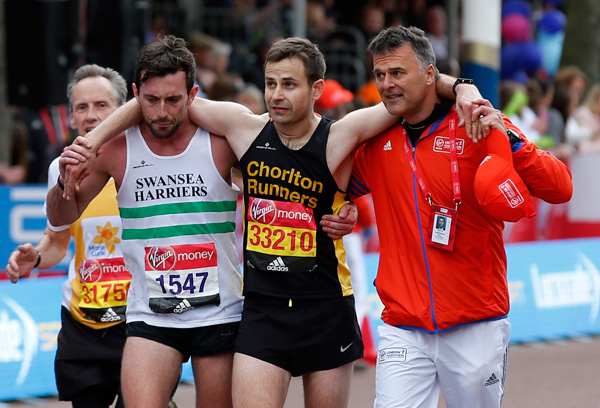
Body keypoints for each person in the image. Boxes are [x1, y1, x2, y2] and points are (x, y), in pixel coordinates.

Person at [57, 36, 485, 408]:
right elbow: (156, 101)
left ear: (317, 88)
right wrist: (91, 141)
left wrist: (461, 87)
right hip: (263, 311)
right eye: (271, 84)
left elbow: (406, 96)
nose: (277, 95)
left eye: (290, 85)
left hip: (326, 306)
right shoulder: (243, 130)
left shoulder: (340, 136)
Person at [348, 26, 573, 408]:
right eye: (380, 75)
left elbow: (560, 187)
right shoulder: (375, 139)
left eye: (398, 73)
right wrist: (341, 212)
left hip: (476, 323)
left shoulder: (477, 121)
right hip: (403, 324)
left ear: (430, 75)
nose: (386, 84)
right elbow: (333, 192)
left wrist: (509, 138)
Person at [46, 36, 245, 408]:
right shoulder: (117, 148)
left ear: (193, 93)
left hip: (219, 312)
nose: (162, 112)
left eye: (173, 100)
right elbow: (61, 217)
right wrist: (64, 182)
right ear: (136, 94)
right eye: (151, 101)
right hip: (150, 317)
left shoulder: (220, 141)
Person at [5, 64, 131, 408]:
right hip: (82, 319)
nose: (91, 116)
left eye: (102, 105)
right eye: (82, 107)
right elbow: (58, 242)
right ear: (71, 119)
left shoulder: (144, 161)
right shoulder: (59, 169)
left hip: (140, 321)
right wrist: (35, 259)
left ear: (124, 110)